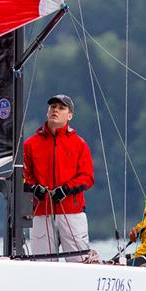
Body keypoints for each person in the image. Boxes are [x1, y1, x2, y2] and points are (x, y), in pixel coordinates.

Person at [23, 94, 94, 262]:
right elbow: (24, 175)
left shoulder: (79, 144)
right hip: (41, 211)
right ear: (48, 111)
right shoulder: (30, 144)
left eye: (61, 108)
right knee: (42, 264)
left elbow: (87, 177)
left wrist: (67, 189)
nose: (55, 110)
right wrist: (33, 188)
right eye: (52, 106)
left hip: (72, 212)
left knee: (80, 262)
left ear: (70, 115)